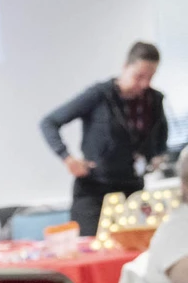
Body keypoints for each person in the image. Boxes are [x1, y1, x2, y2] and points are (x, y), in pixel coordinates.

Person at [40, 41, 169, 235]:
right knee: (90, 249)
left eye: (150, 77)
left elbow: (161, 135)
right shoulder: (100, 95)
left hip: (132, 190)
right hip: (94, 190)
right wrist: (67, 157)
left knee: (137, 247)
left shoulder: (154, 100)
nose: (144, 84)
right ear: (125, 67)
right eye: (139, 76)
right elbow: (49, 122)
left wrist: (157, 156)